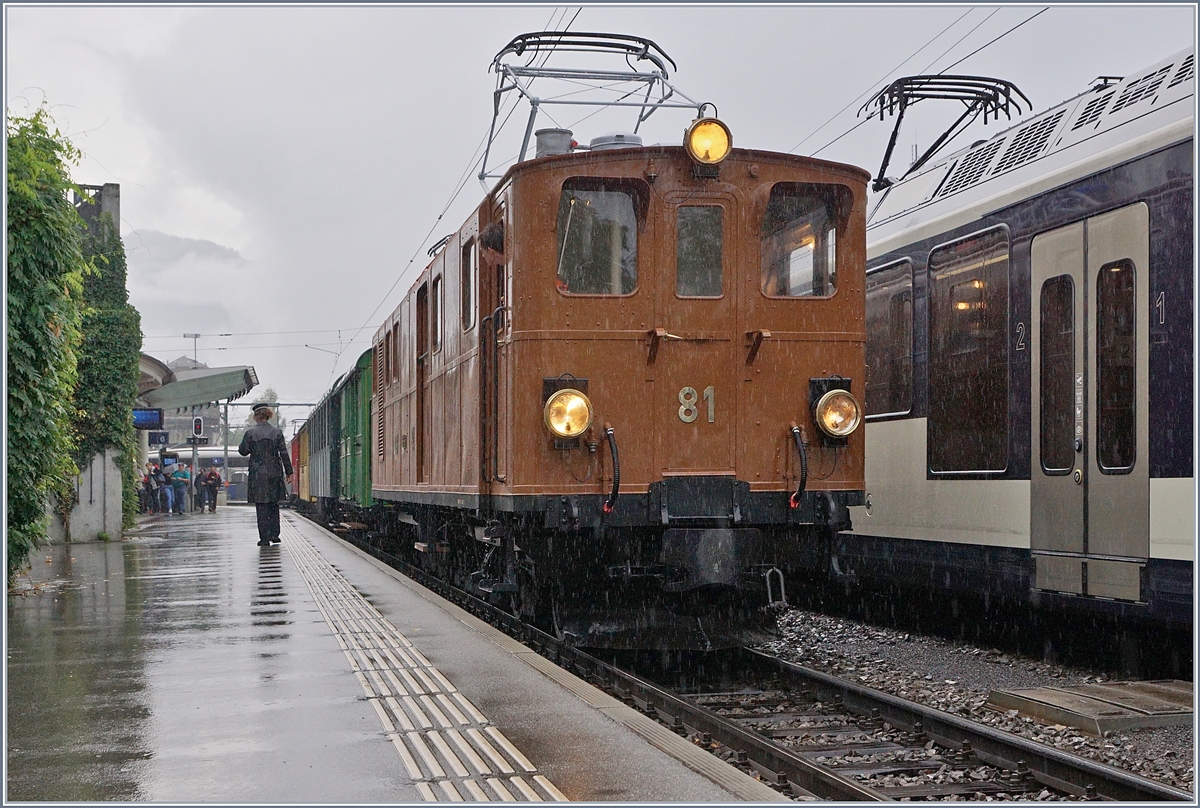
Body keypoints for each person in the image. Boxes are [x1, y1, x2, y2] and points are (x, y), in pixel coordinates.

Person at [239, 403, 293, 546]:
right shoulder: (277, 432)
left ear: (256, 417)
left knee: (261, 506)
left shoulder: (250, 433)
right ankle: (275, 534)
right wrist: (289, 472)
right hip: (274, 472)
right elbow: (283, 454)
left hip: (258, 474)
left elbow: (243, 451)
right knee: (274, 504)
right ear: (268, 415)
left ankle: (264, 538)